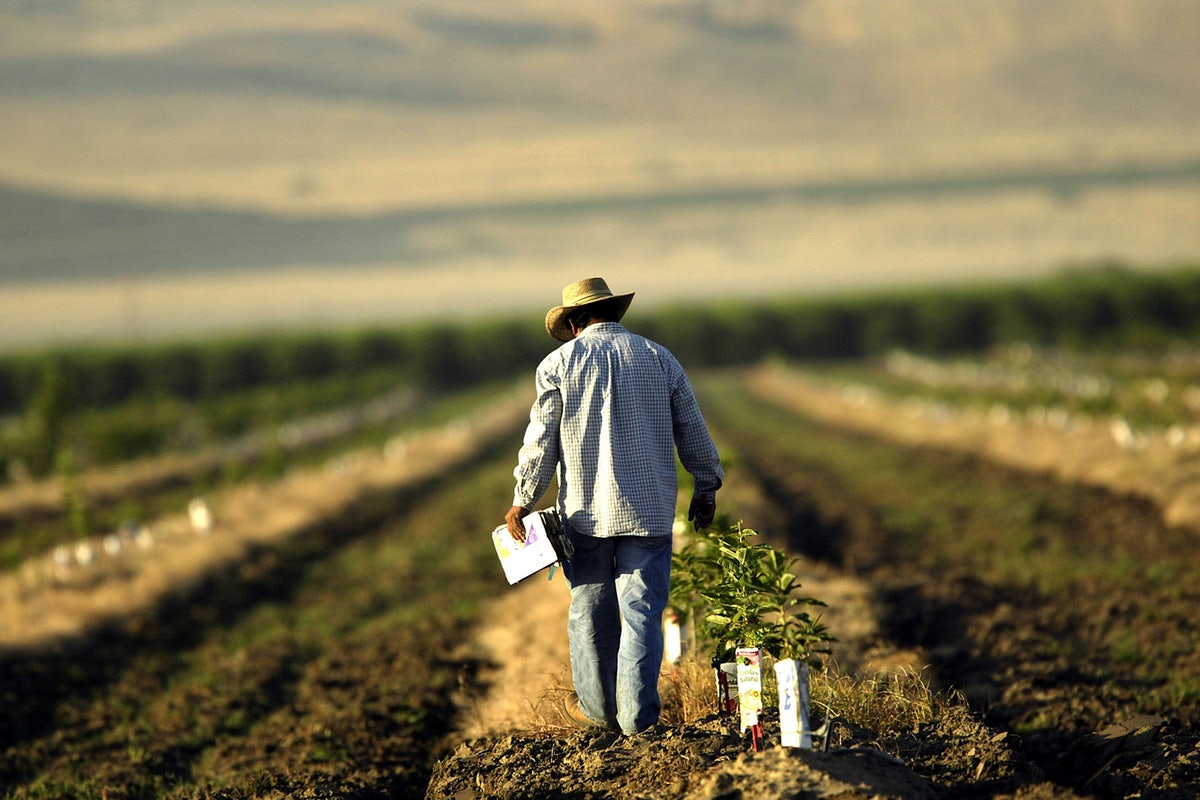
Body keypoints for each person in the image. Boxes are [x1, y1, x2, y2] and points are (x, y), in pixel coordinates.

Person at [505, 277, 724, 735]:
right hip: (648, 512)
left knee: (589, 614)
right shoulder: (658, 358)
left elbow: (541, 440)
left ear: (573, 322)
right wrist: (707, 486)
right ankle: (637, 722)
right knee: (643, 615)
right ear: (611, 314)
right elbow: (692, 429)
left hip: (584, 515)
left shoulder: (557, 365)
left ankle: (600, 715)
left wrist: (523, 499)